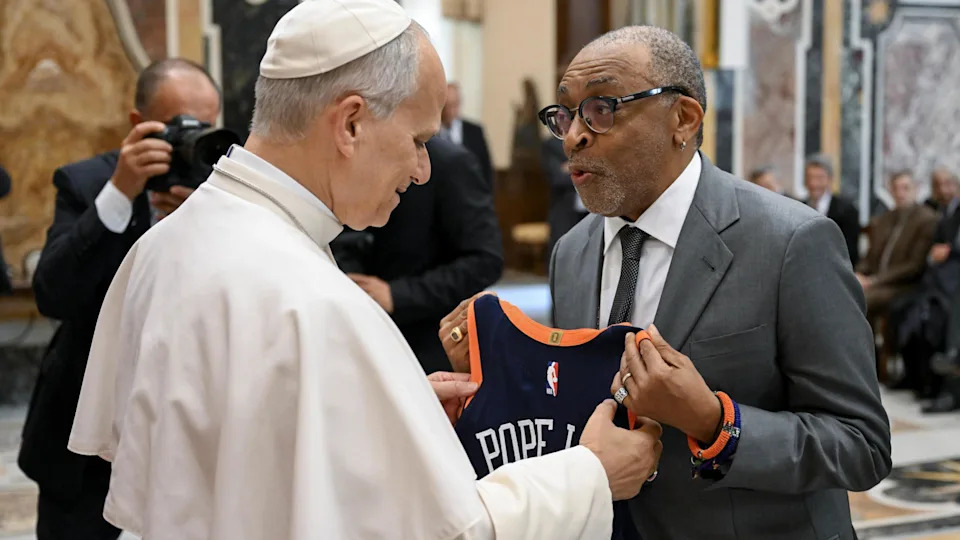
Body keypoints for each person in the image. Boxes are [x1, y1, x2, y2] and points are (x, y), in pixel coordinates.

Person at [67, 2, 661, 539]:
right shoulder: (321, 305)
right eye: (418, 139)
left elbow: (239, 455)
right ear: (350, 123)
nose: (424, 169)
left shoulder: (167, 242)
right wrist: (591, 474)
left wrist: (387, 409)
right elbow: (444, 532)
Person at [444, 25, 890, 539]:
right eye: (565, 114)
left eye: (602, 108)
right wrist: (496, 375)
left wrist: (713, 421)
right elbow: (584, 415)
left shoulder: (791, 242)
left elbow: (862, 444)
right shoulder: (573, 251)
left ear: (683, 118)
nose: (573, 136)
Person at [18, 58, 220, 540]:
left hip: (186, 424)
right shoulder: (87, 182)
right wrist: (119, 194)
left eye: (206, 126)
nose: (192, 139)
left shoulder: (222, 190)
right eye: (179, 127)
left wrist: (210, 220)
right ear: (138, 123)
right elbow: (52, 292)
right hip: (84, 429)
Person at [335, 136, 503, 373]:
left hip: (427, 345)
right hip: (358, 336)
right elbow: (347, 236)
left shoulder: (450, 163)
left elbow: (486, 260)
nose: (420, 170)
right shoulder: (352, 155)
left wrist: (398, 295)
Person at [856, 171, 938, 326]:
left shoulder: (926, 219)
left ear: (915, 189)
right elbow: (870, 256)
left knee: (861, 300)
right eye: (896, 189)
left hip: (904, 285)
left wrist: (874, 281)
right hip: (875, 281)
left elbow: (914, 265)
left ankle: (869, 348)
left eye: (905, 188)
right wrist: (859, 274)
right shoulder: (885, 218)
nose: (900, 193)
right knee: (846, 294)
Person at [804, 153, 861, 266]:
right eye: (809, 177)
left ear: (830, 179)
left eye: (819, 178)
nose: (813, 183)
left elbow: (850, 251)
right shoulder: (799, 206)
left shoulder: (847, 210)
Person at [440, 82, 494, 188]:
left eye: (454, 105)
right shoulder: (432, 133)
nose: (450, 111)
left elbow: (486, 168)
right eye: (446, 106)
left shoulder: (475, 131)